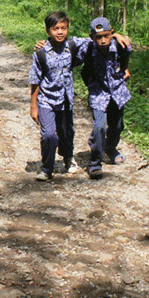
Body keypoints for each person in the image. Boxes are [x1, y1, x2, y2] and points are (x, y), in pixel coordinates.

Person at [28, 12, 130, 181]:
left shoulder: (81, 44)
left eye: (63, 28)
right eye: (55, 29)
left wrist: (117, 36)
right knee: (57, 134)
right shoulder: (47, 52)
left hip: (90, 96)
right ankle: (58, 167)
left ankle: (90, 152)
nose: (60, 32)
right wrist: (34, 105)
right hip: (69, 96)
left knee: (74, 132)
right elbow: (37, 76)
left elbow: (111, 44)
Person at [83, 17, 132, 180]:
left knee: (117, 126)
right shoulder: (88, 48)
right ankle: (95, 163)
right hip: (98, 92)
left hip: (117, 91)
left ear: (111, 33)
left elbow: (127, 51)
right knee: (99, 127)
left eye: (106, 36)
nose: (103, 40)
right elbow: (64, 42)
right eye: (98, 37)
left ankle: (110, 148)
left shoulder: (119, 45)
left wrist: (126, 69)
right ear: (92, 37)